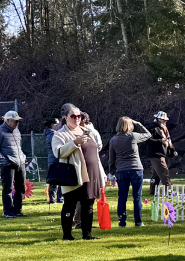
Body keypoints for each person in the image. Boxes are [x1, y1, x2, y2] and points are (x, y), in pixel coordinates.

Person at [51, 103, 106, 240]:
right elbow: (58, 152)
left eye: (79, 116)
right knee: (70, 205)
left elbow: (95, 154)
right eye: (73, 116)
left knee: (88, 204)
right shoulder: (60, 134)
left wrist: (101, 173)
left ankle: (87, 234)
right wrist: (74, 143)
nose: (77, 118)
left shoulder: (87, 131)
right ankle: (67, 235)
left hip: (92, 173)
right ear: (66, 118)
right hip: (73, 175)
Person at [108, 116, 151, 227]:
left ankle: (122, 221)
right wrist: (139, 124)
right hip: (136, 169)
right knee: (137, 197)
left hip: (121, 170)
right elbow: (148, 134)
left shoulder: (113, 140)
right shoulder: (133, 136)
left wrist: (111, 173)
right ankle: (138, 221)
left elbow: (111, 159)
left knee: (122, 197)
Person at [0, 110, 27, 218]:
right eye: (15, 121)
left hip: (20, 162)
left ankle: (17, 210)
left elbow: (19, 146)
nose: (17, 123)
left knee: (21, 188)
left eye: (18, 121)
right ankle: (8, 212)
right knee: (8, 189)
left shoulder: (17, 131)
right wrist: (4, 161)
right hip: (8, 164)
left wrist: (23, 157)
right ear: (8, 120)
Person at [145, 111, 176, 196]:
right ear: (158, 119)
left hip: (162, 153)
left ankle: (152, 191)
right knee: (164, 171)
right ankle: (169, 190)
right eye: (163, 119)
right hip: (155, 153)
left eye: (166, 119)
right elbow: (148, 140)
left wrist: (172, 150)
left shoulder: (164, 128)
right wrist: (160, 141)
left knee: (156, 174)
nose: (165, 121)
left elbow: (168, 140)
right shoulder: (151, 128)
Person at [44, 118, 64, 204]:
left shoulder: (51, 134)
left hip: (54, 159)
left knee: (59, 180)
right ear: (53, 125)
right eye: (58, 124)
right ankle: (52, 199)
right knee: (55, 181)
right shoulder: (53, 134)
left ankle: (60, 198)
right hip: (55, 160)